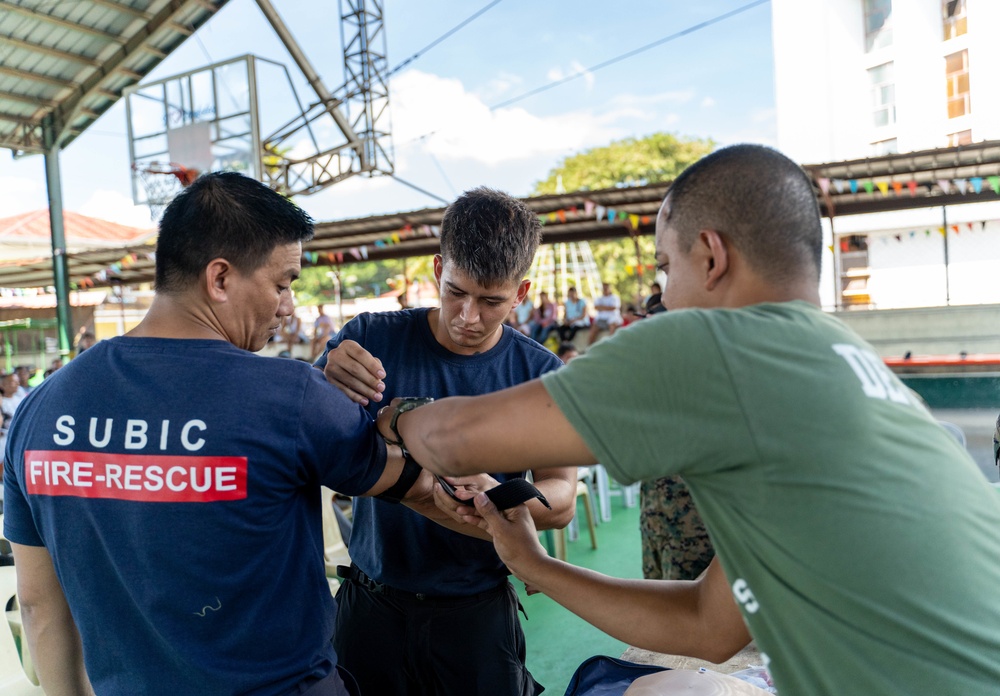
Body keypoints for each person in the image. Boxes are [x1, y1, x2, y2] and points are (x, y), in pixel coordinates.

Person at [374, 145, 1000, 695]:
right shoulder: (857, 370)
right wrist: (534, 564)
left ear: (711, 256)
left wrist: (393, 412)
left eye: (665, 268)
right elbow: (709, 625)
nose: (664, 296)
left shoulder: (717, 346)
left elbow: (451, 440)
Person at [2, 172, 433, 696]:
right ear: (220, 279)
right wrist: (400, 414)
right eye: (282, 283)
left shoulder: (39, 410)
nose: (289, 306)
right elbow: (416, 479)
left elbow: (39, 606)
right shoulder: (291, 396)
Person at [317, 186, 576, 696]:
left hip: (477, 608)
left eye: (491, 301)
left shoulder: (540, 373)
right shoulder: (370, 338)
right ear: (438, 270)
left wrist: (497, 497)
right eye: (456, 291)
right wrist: (323, 384)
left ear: (520, 294)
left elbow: (561, 498)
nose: (468, 317)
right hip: (372, 602)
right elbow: (318, 452)